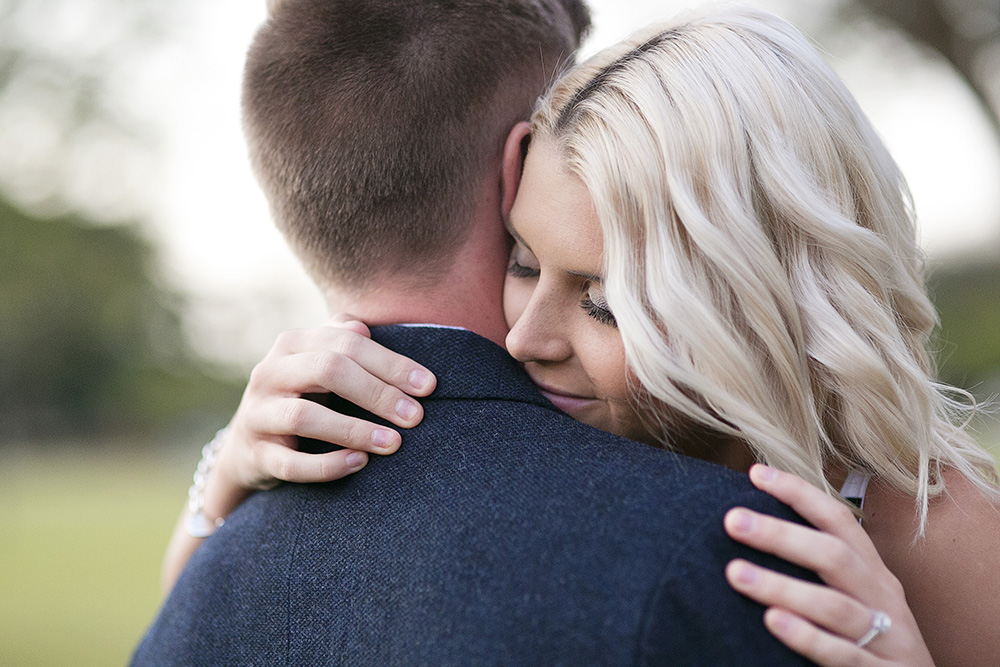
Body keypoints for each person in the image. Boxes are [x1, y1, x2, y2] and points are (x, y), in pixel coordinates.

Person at [160, 5, 1000, 666]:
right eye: (523, 259)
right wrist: (229, 466)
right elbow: (198, 621)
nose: (525, 337)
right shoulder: (546, 427)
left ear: (754, 300)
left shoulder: (940, 534)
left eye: (604, 302)